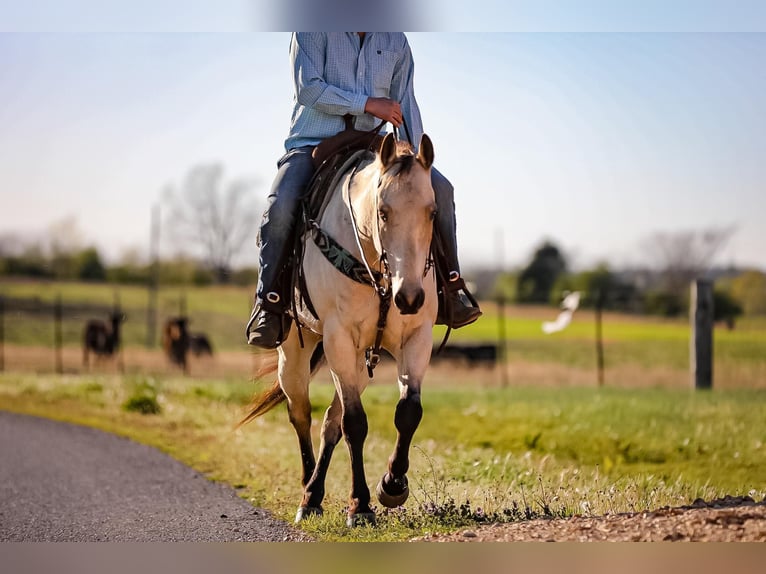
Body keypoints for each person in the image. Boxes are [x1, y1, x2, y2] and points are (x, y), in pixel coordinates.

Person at [246, 32, 481, 349]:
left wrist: (416, 163)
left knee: (441, 190)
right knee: (281, 205)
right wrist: (368, 104)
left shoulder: (395, 40)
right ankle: (270, 303)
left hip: (377, 149)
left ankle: (451, 287)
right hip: (312, 145)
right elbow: (309, 89)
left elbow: (405, 102)